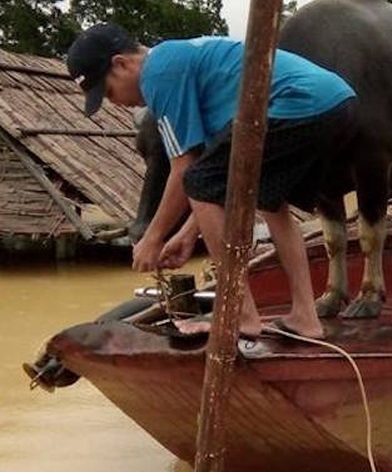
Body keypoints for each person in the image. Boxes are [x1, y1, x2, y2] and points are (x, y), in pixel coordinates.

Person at [66, 23, 357, 341]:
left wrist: (153, 238)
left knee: (199, 180)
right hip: (335, 101)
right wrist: (188, 234)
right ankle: (305, 317)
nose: (116, 102)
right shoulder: (175, 59)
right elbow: (215, 184)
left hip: (297, 102)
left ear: (121, 64)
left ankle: (240, 316)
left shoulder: (158, 76)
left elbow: (184, 171)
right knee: (269, 201)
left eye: (108, 91)